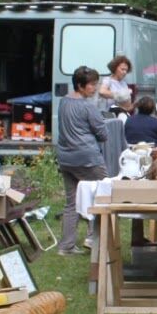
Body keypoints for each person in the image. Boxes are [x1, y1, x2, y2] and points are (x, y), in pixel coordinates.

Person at [56, 66, 109, 255]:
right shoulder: (88, 106)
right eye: (92, 85)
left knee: (71, 203)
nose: (94, 88)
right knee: (103, 196)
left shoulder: (63, 102)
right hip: (87, 158)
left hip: (66, 158)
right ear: (80, 85)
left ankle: (66, 246)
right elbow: (103, 134)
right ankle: (94, 239)